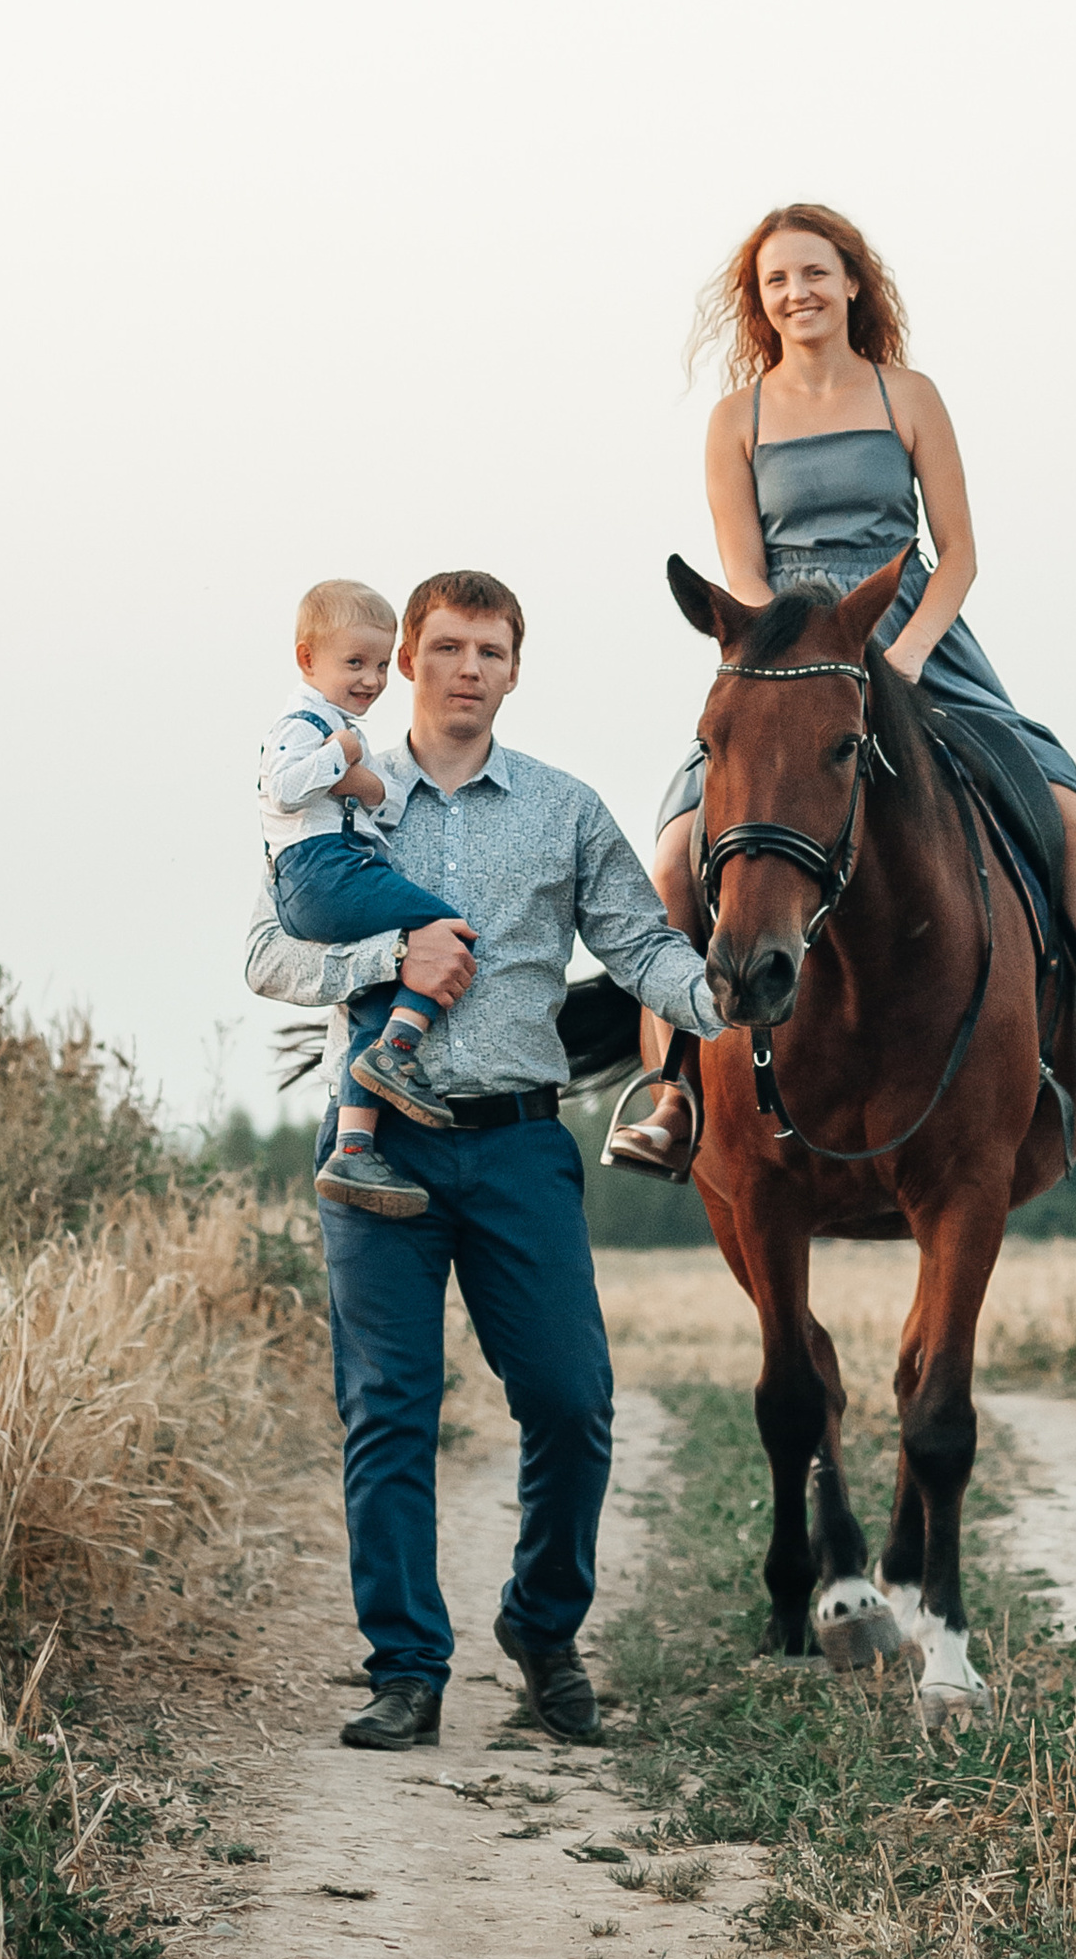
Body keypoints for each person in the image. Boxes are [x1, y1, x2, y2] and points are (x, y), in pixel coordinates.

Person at [609, 201, 1076, 1179]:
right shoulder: (737, 418)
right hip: (790, 656)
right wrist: (810, 659)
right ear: (759, 303)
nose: (796, 291)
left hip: (919, 642)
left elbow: (959, 553)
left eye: (813, 271)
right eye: (776, 281)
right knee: (677, 849)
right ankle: (673, 1087)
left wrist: (903, 653)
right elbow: (743, 570)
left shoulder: (908, 395)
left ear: (852, 281)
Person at [246, 566, 721, 1756]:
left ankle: (542, 1629)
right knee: (388, 1413)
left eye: (491, 649)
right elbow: (264, 950)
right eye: (447, 645)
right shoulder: (337, 791)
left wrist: (725, 1004)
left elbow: (641, 945)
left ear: (516, 668)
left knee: (571, 1397)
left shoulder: (564, 809)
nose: (469, 667)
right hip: (377, 1146)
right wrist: (378, 967)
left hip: (517, 1144)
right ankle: (407, 1669)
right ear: (405, 658)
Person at [259, 576, 468, 1208]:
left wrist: (366, 784)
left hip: (332, 865)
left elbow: (387, 797)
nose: (371, 679)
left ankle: (354, 1150)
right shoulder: (302, 724)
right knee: (445, 925)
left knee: (372, 997)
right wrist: (340, 756)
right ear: (307, 659)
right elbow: (282, 788)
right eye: (354, 663)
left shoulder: (345, 728)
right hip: (321, 871)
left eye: (380, 665)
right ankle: (399, 1054)